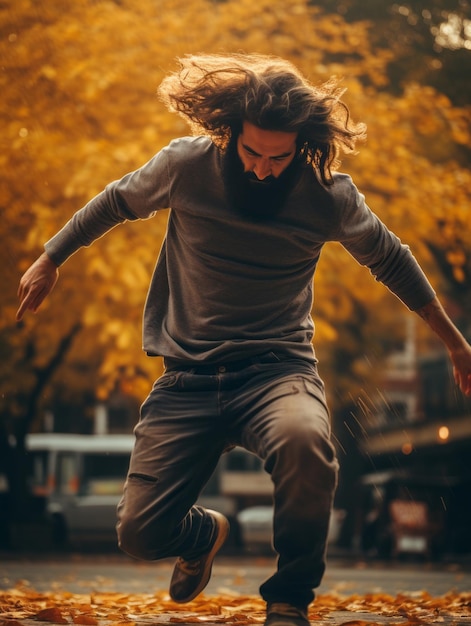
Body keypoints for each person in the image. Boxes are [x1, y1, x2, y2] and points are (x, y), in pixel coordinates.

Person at [17, 54, 471, 626]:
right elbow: (115, 201)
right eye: (251, 152)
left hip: (276, 372)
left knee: (308, 443)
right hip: (186, 377)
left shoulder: (327, 195)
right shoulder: (185, 166)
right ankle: (200, 532)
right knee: (139, 533)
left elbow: (392, 261)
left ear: (302, 147)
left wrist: (455, 342)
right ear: (229, 133)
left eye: (278, 158)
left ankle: (288, 599)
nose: (262, 168)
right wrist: (51, 257)